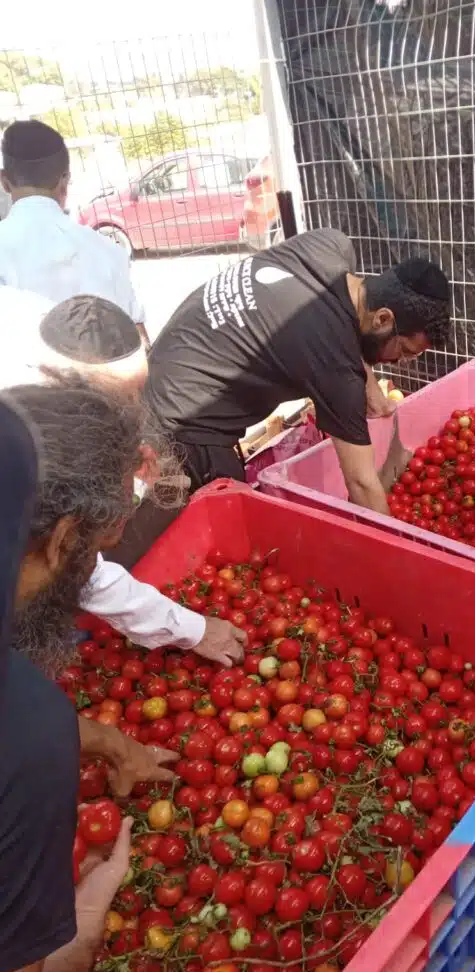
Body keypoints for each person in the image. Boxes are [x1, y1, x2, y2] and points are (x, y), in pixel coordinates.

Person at [0, 380, 177, 972]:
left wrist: (108, 740)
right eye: (95, 555)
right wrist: (77, 933)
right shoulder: (26, 735)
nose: (92, 579)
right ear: (60, 538)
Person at [0, 285, 246, 667]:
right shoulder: (21, 445)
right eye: (116, 406)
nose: (132, 412)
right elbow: (82, 566)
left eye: (135, 396)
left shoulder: (57, 336)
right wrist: (190, 628)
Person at [144, 228, 451, 512]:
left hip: (163, 365)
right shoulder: (336, 371)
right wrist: (402, 555)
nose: (401, 362)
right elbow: (361, 483)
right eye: (405, 351)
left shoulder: (329, 246)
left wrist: (370, 385)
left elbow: (342, 330)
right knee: (226, 523)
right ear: (383, 319)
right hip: (179, 423)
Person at [0, 120, 148, 348]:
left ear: (4, 182)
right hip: (103, 378)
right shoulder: (109, 251)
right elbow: (140, 342)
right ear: (65, 181)